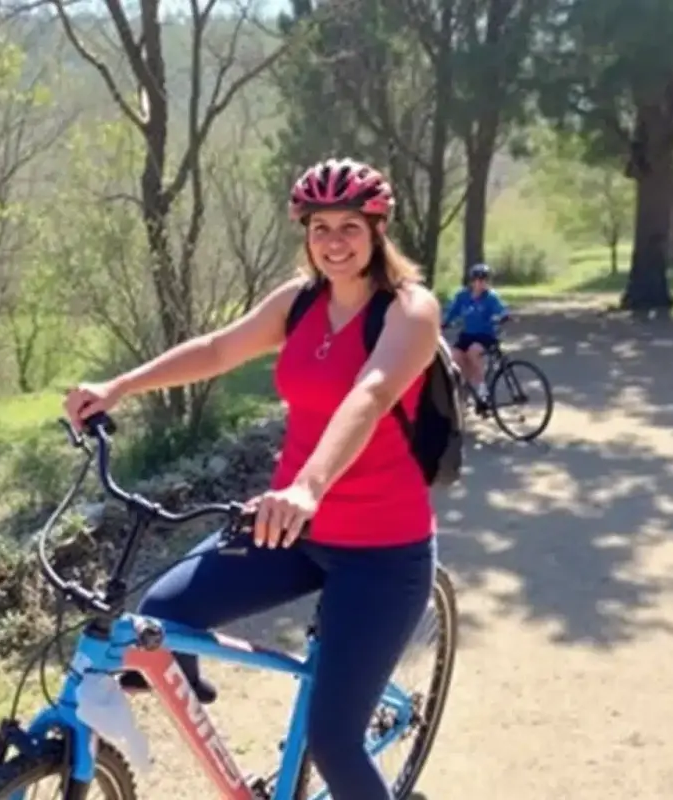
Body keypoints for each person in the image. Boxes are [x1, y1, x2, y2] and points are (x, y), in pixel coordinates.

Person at [64, 158, 441, 800]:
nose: (334, 242)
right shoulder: (300, 302)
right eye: (320, 228)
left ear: (378, 229)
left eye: (350, 226)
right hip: (288, 529)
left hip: (381, 551)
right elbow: (217, 349)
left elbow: (372, 394)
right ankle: (205, 720)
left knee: (335, 742)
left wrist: (308, 487)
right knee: (163, 611)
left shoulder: (410, 310)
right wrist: (120, 386)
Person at [443, 262, 509, 409]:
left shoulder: (491, 297)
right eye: (478, 280)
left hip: (485, 336)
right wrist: (443, 322)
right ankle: (465, 391)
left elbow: (501, 308)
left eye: (485, 280)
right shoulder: (462, 296)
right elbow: (452, 312)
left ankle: (482, 389)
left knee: (474, 351)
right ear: (472, 281)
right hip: (467, 335)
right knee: (455, 357)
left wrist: (504, 315)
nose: (481, 283)